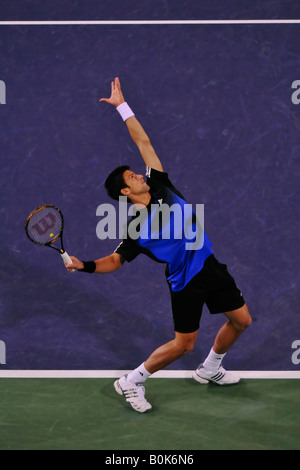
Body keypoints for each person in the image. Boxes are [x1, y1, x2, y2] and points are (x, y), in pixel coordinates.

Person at [66, 77, 252, 413]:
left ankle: (210, 368)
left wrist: (121, 106)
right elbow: (116, 260)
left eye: (135, 173)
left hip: (208, 263)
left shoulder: (160, 184)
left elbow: (143, 140)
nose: (138, 174)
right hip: (185, 281)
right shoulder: (136, 228)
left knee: (241, 320)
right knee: (184, 345)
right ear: (125, 192)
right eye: (131, 177)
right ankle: (132, 380)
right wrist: (84, 265)